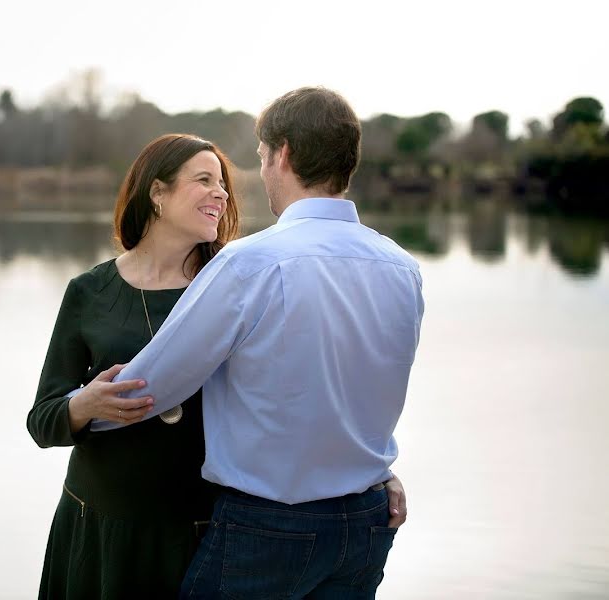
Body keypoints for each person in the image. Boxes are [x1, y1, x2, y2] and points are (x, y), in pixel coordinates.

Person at [78, 87, 424, 599]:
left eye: (261, 159)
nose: (261, 175)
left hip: (269, 529)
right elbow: (358, 391)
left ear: (282, 154)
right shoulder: (402, 267)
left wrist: (82, 409)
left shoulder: (250, 264)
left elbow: (154, 386)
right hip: (368, 524)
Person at [27, 134, 240, 599]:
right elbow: (42, 421)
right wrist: (83, 405)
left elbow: (299, 394)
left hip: (203, 532)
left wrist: (369, 472)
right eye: (203, 180)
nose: (221, 194)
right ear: (157, 193)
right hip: (97, 531)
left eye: (222, 184)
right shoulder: (89, 292)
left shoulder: (237, 290)